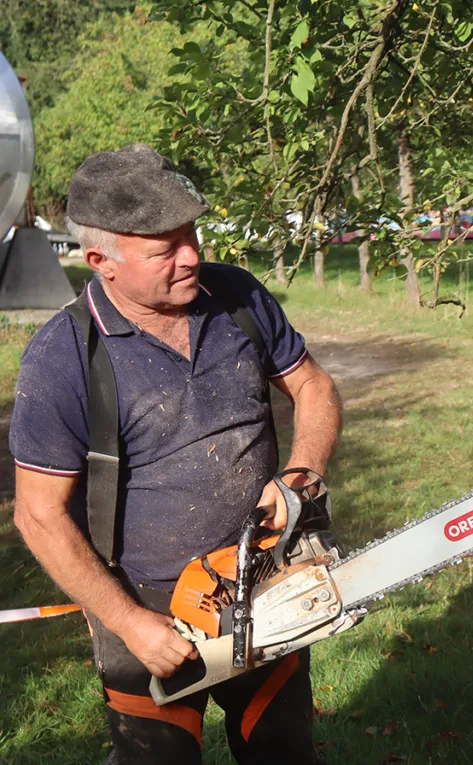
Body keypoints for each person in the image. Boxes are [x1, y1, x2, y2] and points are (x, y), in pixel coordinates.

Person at [10, 143, 342, 764]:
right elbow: (38, 515)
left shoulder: (238, 299)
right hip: (141, 605)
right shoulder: (64, 358)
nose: (192, 257)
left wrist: (301, 473)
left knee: (283, 750)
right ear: (100, 262)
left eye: (192, 235)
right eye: (165, 249)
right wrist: (130, 622)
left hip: (261, 579)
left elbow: (314, 386)